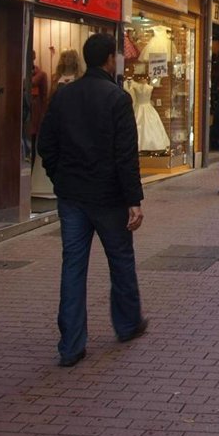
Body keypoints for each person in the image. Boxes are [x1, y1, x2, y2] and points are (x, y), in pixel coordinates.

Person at [37, 33, 147, 367]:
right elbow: (125, 155)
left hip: (72, 195)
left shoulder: (64, 96)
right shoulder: (117, 98)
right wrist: (133, 199)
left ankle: (71, 345)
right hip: (109, 196)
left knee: (73, 266)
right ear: (110, 60)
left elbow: (46, 144)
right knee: (120, 260)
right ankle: (127, 323)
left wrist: (60, 178)